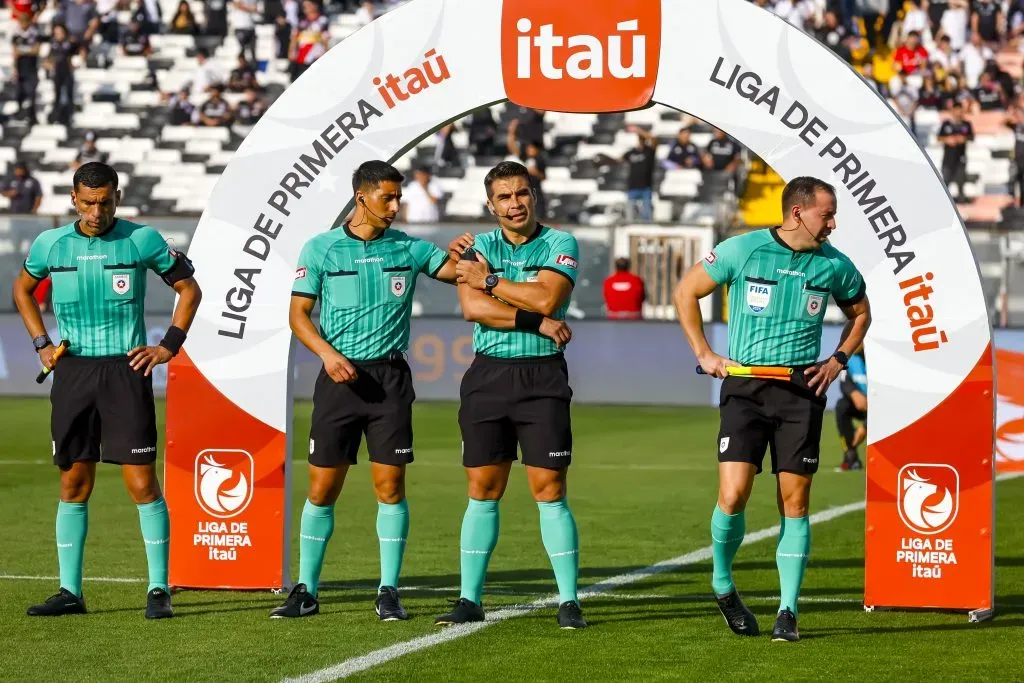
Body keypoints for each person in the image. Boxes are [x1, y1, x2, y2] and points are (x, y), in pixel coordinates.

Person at [270, 161, 473, 620]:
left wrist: (464, 253)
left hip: (390, 382)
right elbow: (298, 315)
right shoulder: (321, 248)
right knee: (322, 488)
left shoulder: (410, 248)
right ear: (361, 196)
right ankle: (307, 590)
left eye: (398, 197)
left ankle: (388, 590)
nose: (396, 206)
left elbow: (457, 272)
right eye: (388, 197)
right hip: (338, 380)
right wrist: (327, 354)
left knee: (390, 485)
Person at [672, 176, 870, 642]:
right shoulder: (743, 250)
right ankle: (722, 585)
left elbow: (861, 313)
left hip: (801, 392)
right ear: (798, 212)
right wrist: (704, 352)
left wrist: (838, 359)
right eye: (828, 213)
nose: (834, 223)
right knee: (733, 494)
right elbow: (686, 292)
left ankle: (788, 611)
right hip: (745, 387)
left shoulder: (835, 266)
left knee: (795, 503)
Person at [12, 162, 203, 619]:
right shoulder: (50, 244)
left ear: (117, 197)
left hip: (125, 371)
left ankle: (159, 589)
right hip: (73, 373)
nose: (97, 211)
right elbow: (23, 289)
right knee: (74, 481)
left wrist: (168, 347)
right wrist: (41, 343)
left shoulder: (142, 240)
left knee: (141, 482)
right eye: (88, 202)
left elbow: (190, 290)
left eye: (105, 201)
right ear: (74, 200)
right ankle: (70, 592)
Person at [434, 160, 584, 630]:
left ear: (533, 197)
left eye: (522, 194)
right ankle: (469, 599)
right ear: (490, 204)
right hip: (487, 376)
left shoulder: (560, 242)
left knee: (550, 490)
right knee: (482, 490)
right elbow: (472, 309)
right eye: (504, 197)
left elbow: (547, 298)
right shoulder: (475, 246)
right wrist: (535, 320)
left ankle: (569, 601)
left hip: (542, 379)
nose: (514, 203)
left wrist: (494, 282)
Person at [835, 345, 867, 471]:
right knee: (842, 406)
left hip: (881, 408)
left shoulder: (880, 358)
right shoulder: (850, 359)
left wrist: (865, 426)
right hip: (862, 406)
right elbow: (844, 383)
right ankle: (851, 457)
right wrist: (853, 392)